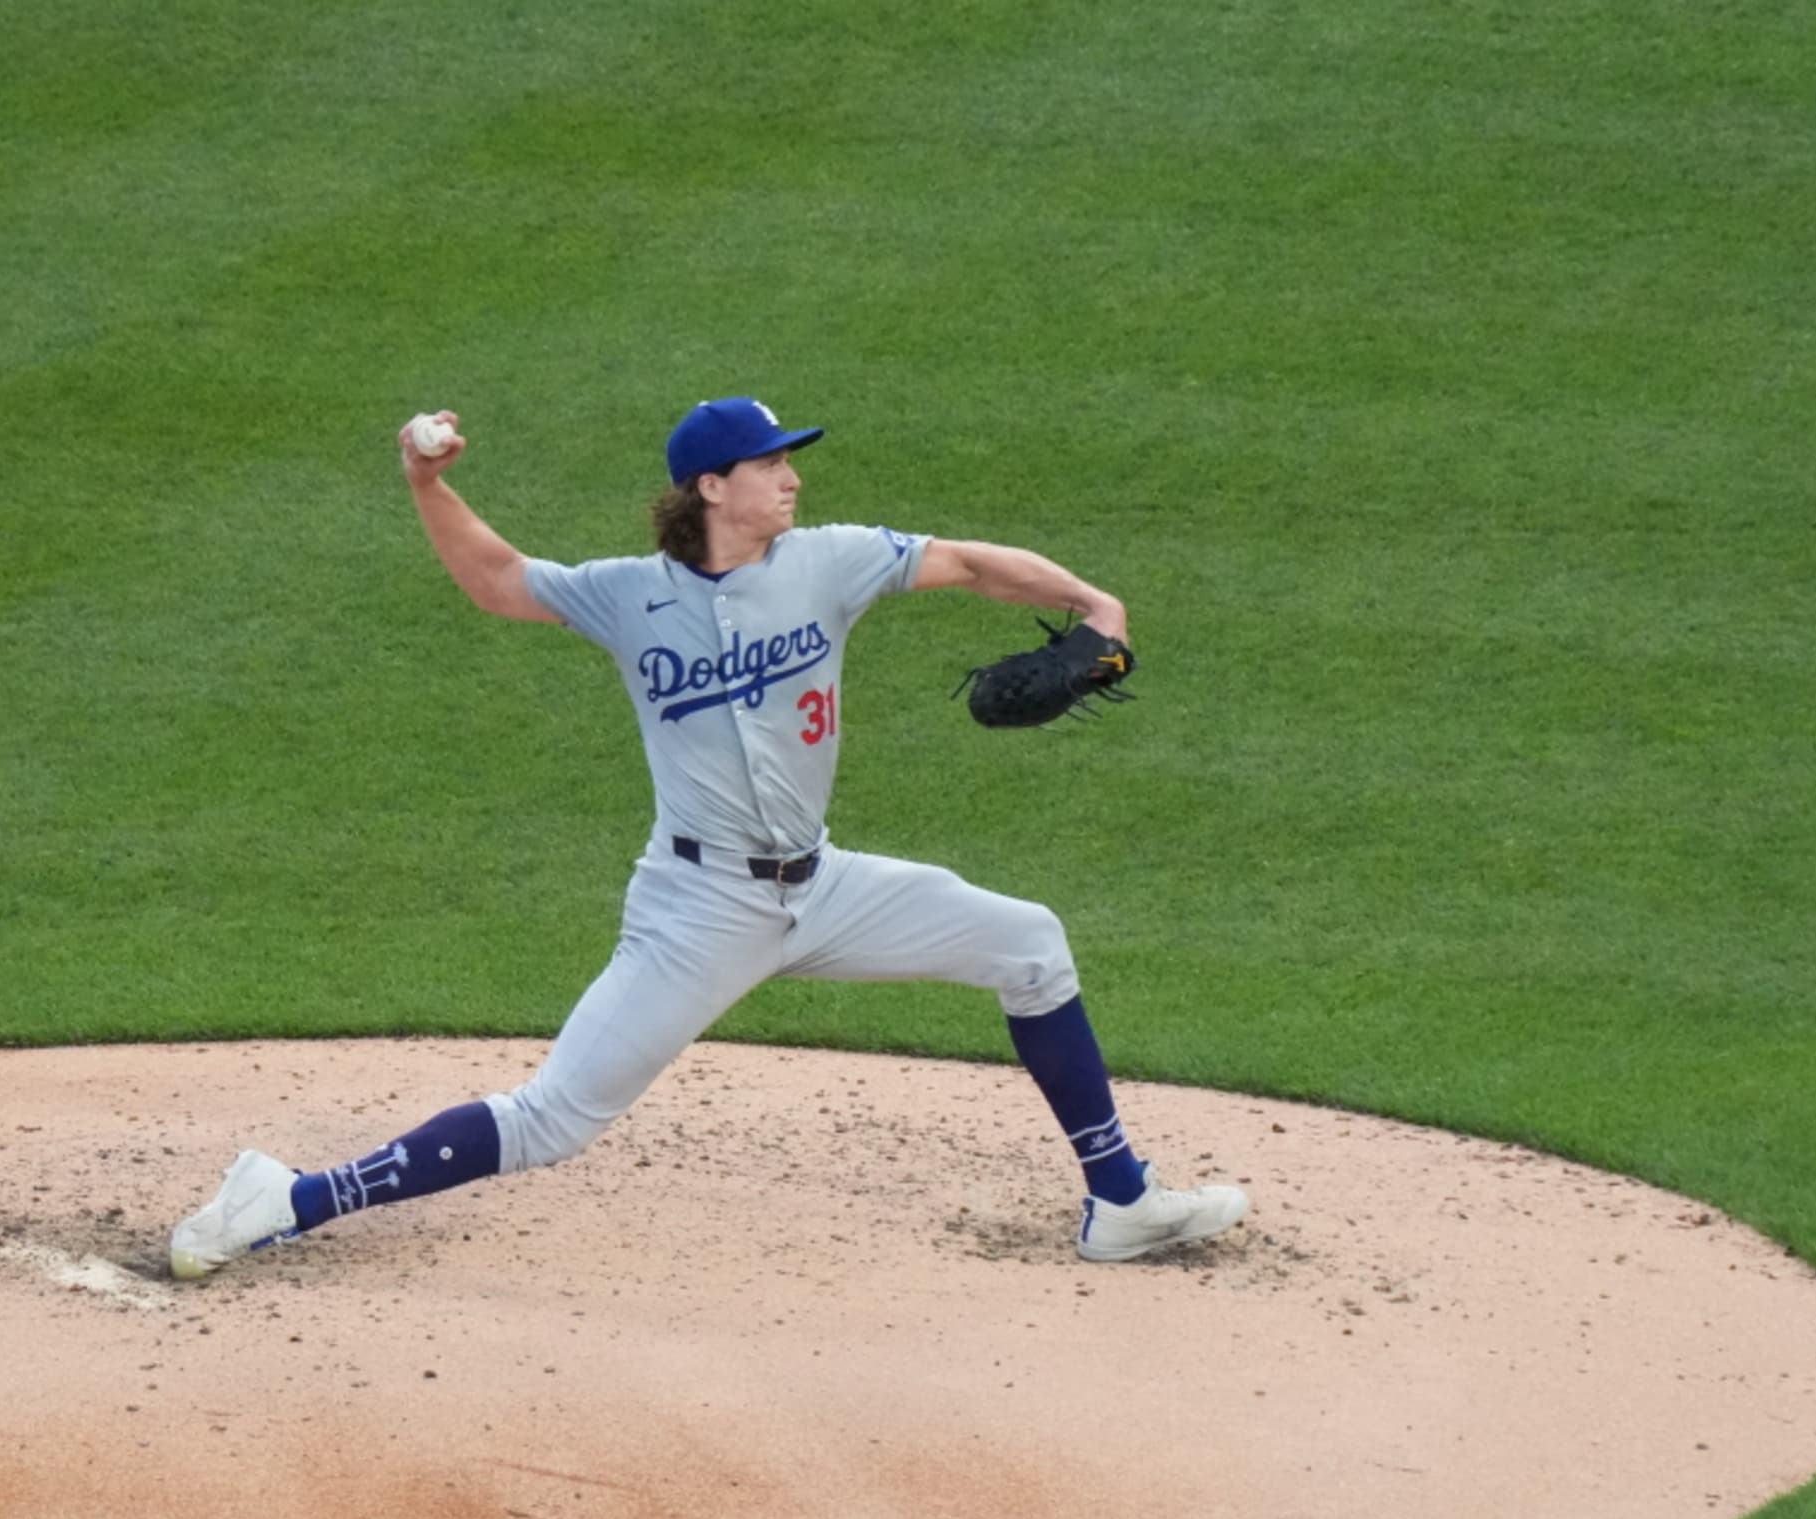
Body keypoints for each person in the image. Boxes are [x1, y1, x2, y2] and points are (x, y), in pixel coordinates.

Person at [168, 397, 1248, 1278]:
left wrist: (1093, 601)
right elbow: (500, 581)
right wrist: (426, 482)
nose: (793, 477)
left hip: (822, 887)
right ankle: (288, 1199)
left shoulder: (829, 562)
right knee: (553, 1120)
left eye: (790, 461)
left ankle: (1123, 1200)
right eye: (771, 462)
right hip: (700, 910)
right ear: (711, 486)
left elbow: (967, 563)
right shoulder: (628, 597)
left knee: (1030, 944)